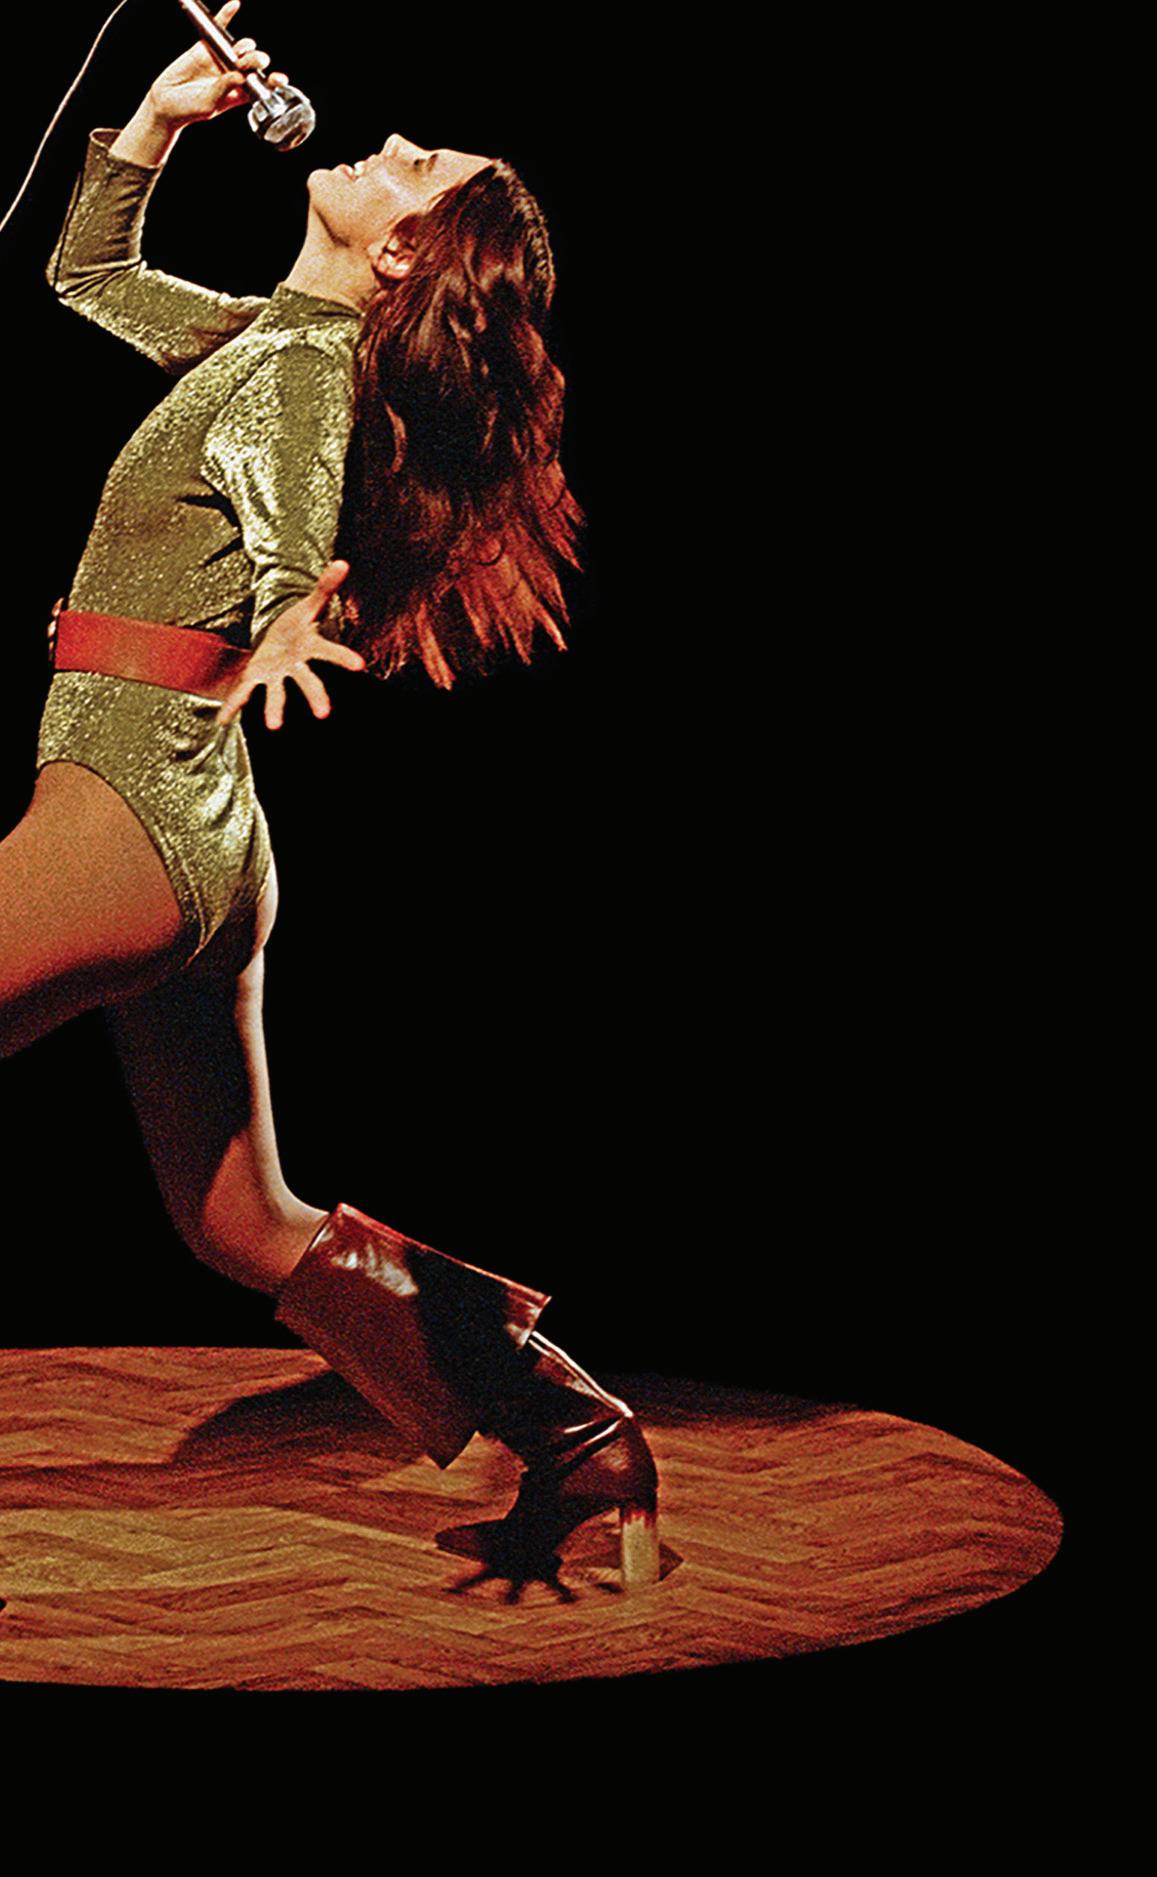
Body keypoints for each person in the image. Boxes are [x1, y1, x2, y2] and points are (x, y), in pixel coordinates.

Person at [0, 7, 655, 1590]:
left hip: (131, 810)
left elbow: (294, 523)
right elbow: (86, 273)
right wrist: (158, 122)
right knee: (244, 1221)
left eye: (419, 168)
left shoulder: (298, 368)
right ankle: (579, 1437)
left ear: (403, 255)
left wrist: (291, 612)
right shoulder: (262, 338)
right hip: (201, 834)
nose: (389, 145)